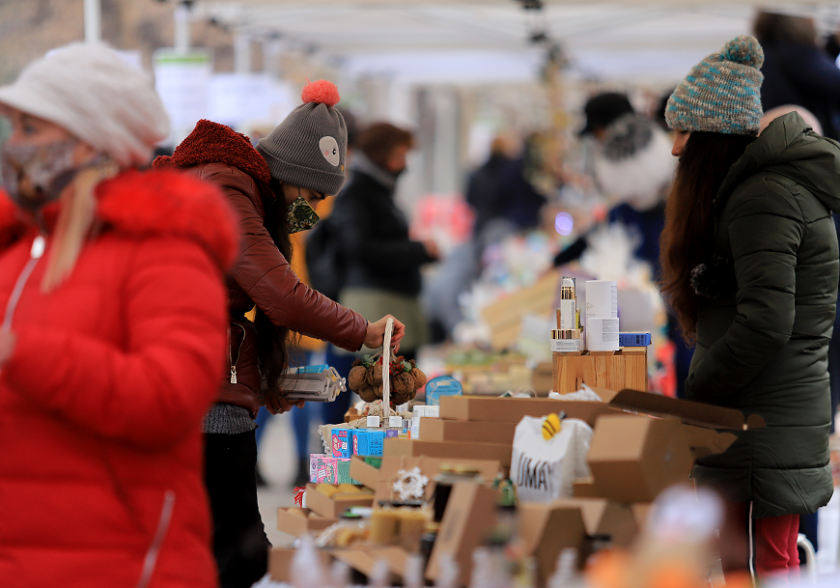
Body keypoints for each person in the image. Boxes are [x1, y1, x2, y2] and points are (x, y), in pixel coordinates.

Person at [0, 43, 237, 587]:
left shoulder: (164, 251)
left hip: (123, 564)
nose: (12, 146)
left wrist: (22, 352)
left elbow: (169, 397)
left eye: (30, 129)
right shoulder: (18, 252)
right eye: (13, 128)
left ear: (89, 140)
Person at [155, 80, 405, 588]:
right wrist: (363, 331)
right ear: (290, 173)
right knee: (238, 547)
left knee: (220, 541)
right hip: (194, 386)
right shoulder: (228, 190)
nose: (307, 212)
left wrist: (267, 381)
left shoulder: (232, 184)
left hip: (199, 377)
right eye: (309, 196)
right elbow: (281, 295)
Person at [660, 35, 840, 581]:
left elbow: (767, 319)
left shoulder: (763, 197)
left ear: (712, 136)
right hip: (757, 412)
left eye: (683, 131)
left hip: (764, 415)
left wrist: (705, 382)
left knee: (769, 565)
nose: (673, 148)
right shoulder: (750, 195)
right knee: (746, 563)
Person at [328, 122, 438, 366]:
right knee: (373, 385)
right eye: (400, 156)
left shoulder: (377, 191)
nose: (404, 165)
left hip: (390, 297)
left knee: (391, 385)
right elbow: (359, 247)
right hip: (374, 300)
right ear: (381, 155)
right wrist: (417, 251)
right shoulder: (358, 193)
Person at [754, 10, 840, 140]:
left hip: (771, 140)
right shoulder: (796, 53)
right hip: (800, 142)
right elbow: (834, 80)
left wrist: (833, 45)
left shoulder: (761, 53)